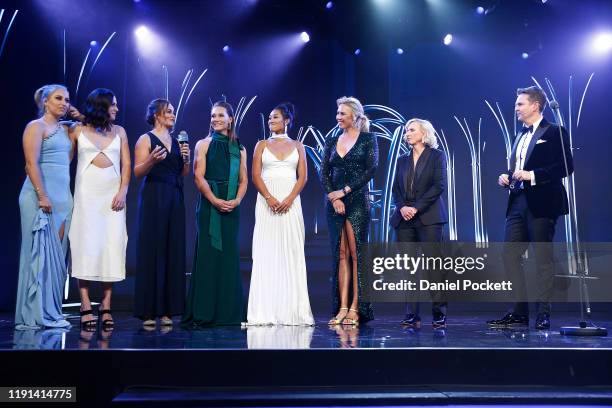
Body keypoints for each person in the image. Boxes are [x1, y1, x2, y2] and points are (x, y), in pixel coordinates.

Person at [487, 86, 573, 330]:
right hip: (518, 201)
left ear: (535, 105)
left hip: (543, 202)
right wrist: (507, 176)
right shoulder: (519, 136)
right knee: (509, 254)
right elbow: (516, 166)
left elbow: (566, 167)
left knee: (542, 257)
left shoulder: (555, 131)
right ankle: (518, 311)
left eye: (520, 104)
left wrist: (532, 175)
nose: (516, 108)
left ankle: (543, 312)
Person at [247, 102, 314, 326]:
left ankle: (293, 312)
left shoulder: (298, 146)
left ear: (286, 120)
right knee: (267, 251)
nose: (270, 120)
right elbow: (255, 175)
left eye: (275, 117)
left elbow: (302, 177)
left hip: (291, 203)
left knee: (291, 251)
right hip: (267, 202)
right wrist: (269, 197)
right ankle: (265, 311)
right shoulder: (261, 145)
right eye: (269, 118)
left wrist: (288, 199)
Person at [182, 101, 248, 327]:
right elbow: (198, 177)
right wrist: (215, 200)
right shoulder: (204, 143)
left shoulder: (240, 148)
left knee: (228, 258)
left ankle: (228, 314)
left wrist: (236, 200)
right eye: (213, 115)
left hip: (231, 207)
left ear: (230, 119)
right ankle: (204, 312)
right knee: (208, 257)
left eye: (221, 115)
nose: (216, 119)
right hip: (210, 205)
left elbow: (244, 179)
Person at [69, 88, 130, 331]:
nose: (116, 108)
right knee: (85, 245)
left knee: (111, 246)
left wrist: (123, 191)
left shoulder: (120, 131)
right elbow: (65, 159)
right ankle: (85, 304)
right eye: (112, 105)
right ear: (101, 106)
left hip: (112, 195)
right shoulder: (78, 130)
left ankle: (106, 305)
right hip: (86, 195)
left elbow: (127, 165)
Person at [15, 84, 74, 330]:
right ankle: (33, 314)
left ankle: (50, 311)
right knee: (38, 255)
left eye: (67, 99)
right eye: (58, 98)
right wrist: (42, 195)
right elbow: (31, 163)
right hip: (40, 196)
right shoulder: (36, 126)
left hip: (62, 198)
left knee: (56, 258)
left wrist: (75, 114)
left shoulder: (66, 129)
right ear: (45, 102)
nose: (64, 103)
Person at [321, 96, 378, 326]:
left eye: (342, 113)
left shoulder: (368, 139)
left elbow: (371, 169)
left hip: (356, 201)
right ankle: (342, 307)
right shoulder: (331, 140)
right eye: (337, 113)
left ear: (354, 115)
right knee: (340, 255)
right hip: (335, 203)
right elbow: (324, 172)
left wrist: (344, 191)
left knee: (356, 255)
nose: (338, 117)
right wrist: (334, 197)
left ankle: (357, 307)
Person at [133, 99, 190, 327]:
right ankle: (148, 310)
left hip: (175, 196)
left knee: (172, 249)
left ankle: (168, 309)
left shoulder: (178, 142)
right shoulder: (145, 139)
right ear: (156, 114)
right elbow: (138, 171)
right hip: (154, 196)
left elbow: (184, 172)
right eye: (168, 111)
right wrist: (151, 160)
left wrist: (186, 157)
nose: (173, 115)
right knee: (152, 248)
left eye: (173, 112)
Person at [390, 118, 448, 328]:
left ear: (424, 133)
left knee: (434, 267)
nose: (407, 133)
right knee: (408, 269)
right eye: (406, 130)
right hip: (404, 219)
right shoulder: (402, 160)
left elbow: (438, 186)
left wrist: (416, 207)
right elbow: (396, 189)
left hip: (429, 218)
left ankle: (439, 313)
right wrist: (402, 207)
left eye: (411, 130)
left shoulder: (436, 156)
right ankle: (411, 315)